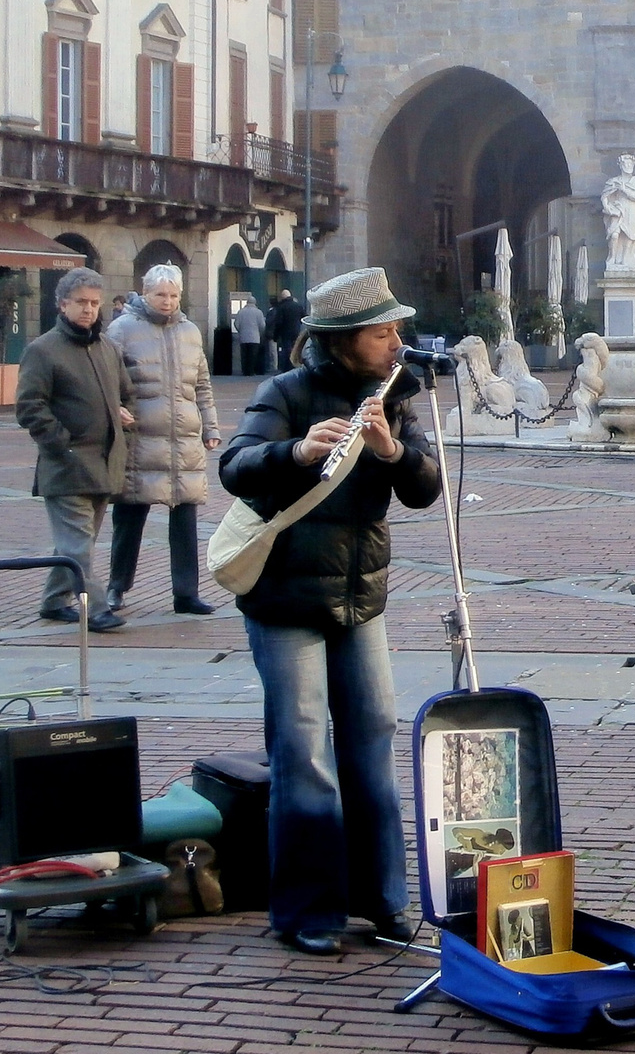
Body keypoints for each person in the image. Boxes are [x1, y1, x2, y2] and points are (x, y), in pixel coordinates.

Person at [219, 266, 441, 955]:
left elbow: (425, 488)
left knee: (372, 737)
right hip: (285, 596)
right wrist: (294, 451)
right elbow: (235, 464)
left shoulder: (396, 394)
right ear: (344, 339)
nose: (396, 340)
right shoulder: (284, 391)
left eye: (395, 328)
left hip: (359, 594)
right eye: (383, 331)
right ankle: (308, 909)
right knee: (304, 747)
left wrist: (393, 450)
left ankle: (382, 901)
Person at [14, 267, 132, 633]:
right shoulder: (43, 350)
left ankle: (53, 601)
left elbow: (124, 392)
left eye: (95, 303)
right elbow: (29, 406)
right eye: (81, 302)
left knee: (77, 542)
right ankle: (95, 608)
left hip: (103, 463)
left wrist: (122, 413)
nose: (89, 309)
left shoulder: (107, 347)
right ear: (63, 304)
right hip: (66, 466)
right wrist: (61, 444)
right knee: (78, 543)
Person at [105, 264, 220, 617]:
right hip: (139, 439)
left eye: (173, 295)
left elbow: (201, 385)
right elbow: (107, 380)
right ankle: (117, 588)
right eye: (160, 295)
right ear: (145, 292)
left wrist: (211, 427)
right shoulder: (121, 329)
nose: (167, 301)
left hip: (183, 439)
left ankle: (186, 593)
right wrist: (115, 413)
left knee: (185, 521)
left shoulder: (190, 332)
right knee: (130, 517)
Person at [269, 288, 306, 373]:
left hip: (285, 333)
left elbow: (278, 323)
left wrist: (275, 336)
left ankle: (287, 368)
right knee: (296, 349)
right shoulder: (298, 306)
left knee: (286, 351)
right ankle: (295, 366)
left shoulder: (281, 307)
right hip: (296, 332)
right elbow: (304, 317)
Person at [234, 294, 266, 376]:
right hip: (255, 337)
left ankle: (245, 371)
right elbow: (262, 325)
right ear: (255, 303)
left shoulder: (241, 312)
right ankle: (251, 371)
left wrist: (240, 331)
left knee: (244, 355)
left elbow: (236, 323)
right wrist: (259, 332)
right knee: (253, 355)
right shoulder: (259, 312)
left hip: (243, 337)